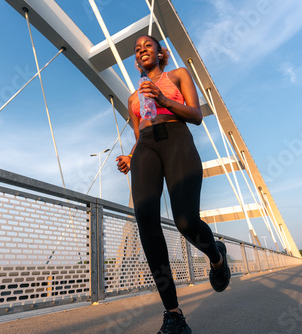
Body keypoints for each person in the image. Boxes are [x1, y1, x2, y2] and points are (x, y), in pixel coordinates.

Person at [116, 35, 231, 334]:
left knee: (185, 221)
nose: (141, 49)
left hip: (178, 140)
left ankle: (216, 257)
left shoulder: (178, 75)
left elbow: (196, 115)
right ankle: (174, 314)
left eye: (147, 45)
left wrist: (163, 98)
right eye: (137, 48)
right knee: (146, 223)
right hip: (146, 150)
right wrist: (130, 156)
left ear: (160, 52)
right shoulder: (132, 99)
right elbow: (140, 133)